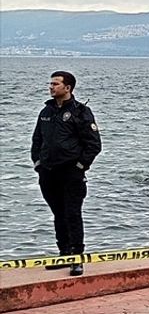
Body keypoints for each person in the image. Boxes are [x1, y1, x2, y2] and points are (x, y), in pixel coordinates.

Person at [32, 71, 101, 276]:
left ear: (67, 88)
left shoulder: (81, 112)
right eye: (50, 83)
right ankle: (64, 252)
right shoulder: (46, 111)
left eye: (56, 84)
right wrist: (38, 163)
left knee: (72, 214)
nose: (51, 87)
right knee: (58, 214)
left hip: (71, 173)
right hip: (48, 172)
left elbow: (93, 145)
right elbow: (37, 140)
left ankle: (76, 258)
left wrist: (80, 167)